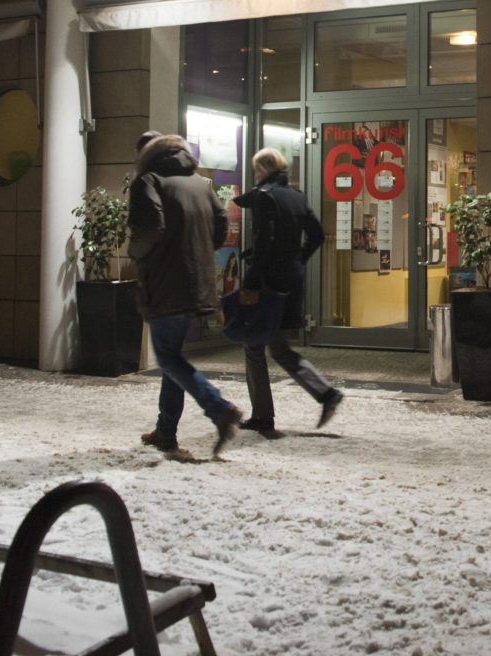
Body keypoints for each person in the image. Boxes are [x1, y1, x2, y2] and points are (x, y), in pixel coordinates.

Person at [130, 131, 243, 460]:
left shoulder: (147, 181)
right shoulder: (198, 184)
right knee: (173, 358)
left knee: (168, 358)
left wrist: (136, 253)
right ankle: (166, 431)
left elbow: (149, 230)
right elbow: (221, 229)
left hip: (166, 283)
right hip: (196, 282)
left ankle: (219, 408)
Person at [233, 148, 344, 436]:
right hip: (290, 279)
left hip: (268, 282)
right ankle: (325, 394)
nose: (255, 174)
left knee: (254, 347)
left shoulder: (264, 197)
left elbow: (264, 243)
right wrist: (296, 260)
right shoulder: (297, 196)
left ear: (262, 169)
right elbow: (317, 235)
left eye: (256, 169)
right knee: (279, 347)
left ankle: (263, 416)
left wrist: (251, 282)